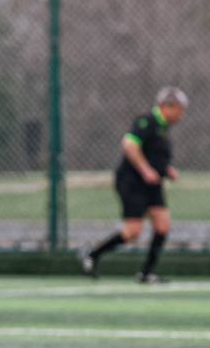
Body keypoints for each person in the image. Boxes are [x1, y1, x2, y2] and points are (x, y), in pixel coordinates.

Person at [80, 87, 187, 282]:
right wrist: (145, 170)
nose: (181, 115)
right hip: (132, 182)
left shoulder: (163, 128)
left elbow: (155, 155)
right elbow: (129, 144)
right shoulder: (147, 121)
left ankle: (146, 273)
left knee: (162, 225)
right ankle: (92, 255)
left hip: (152, 185)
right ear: (167, 106)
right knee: (132, 232)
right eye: (179, 110)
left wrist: (167, 170)